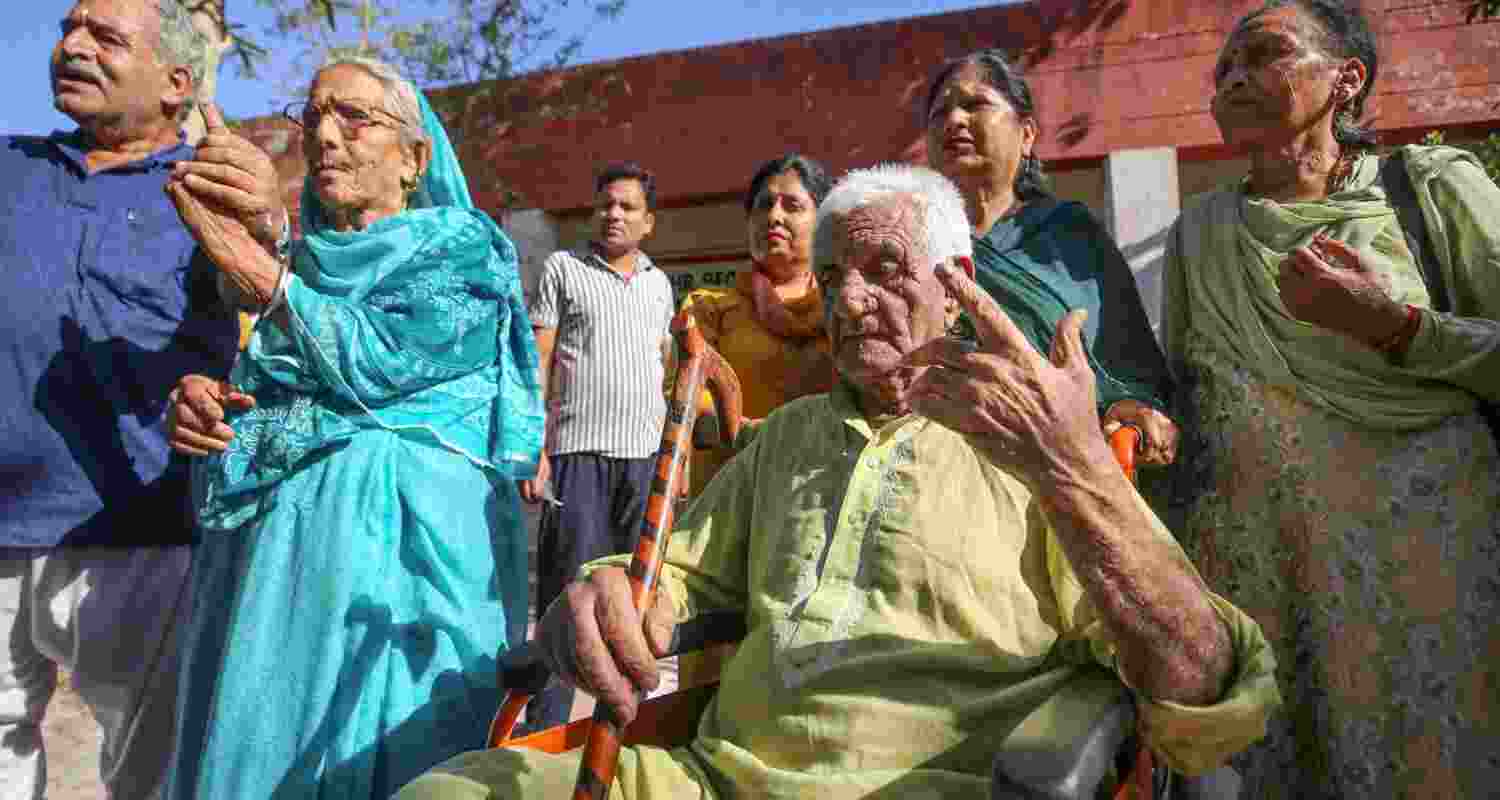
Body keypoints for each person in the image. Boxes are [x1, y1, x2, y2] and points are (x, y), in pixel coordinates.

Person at [396, 164, 1281, 800]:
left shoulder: (1039, 437)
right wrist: (608, 597)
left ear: (957, 282)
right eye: (831, 278)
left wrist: (1078, 470)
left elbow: (1200, 687)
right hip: (704, 776)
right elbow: (676, 575)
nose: (849, 302)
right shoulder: (786, 437)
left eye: (883, 271)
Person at [160, 55, 544, 799]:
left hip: (406, 586)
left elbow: (386, 361)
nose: (325, 135)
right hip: (280, 575)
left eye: (354, 118)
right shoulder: (291, 265)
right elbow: (269, 401)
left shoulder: (463, 249)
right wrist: (209, 405)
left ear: (414, 157)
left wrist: (269, 282)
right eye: (312, 119)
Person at [1162, 1, 1500, 796]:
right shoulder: (1199, 231)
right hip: (1269, 591)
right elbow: (1190, 400)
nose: (1235, 78)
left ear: (1347, 80)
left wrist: (1400, 328)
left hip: (1433, 584)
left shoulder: (1428, 189)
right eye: (1222, 71)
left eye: (1267, 53)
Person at [0, 1, 247, 797]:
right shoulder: (10, 168)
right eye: (69, 27)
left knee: (148, 770)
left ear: (179, 82)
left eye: (104, 36)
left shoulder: (215, 193)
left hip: (140, 535)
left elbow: (271, 339)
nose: (71, 45)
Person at [924, 49, 1180, 465]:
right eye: (940, 113)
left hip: (1062, 466)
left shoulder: (1072, 235)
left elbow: (1129, 365)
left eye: (975, 104)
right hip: (941, 466)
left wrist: (1125, 409)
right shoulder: (915, 242)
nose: (954, 120)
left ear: (1026, 134)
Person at [518, 162, 676, 731]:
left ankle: (622, 732)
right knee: (568, 601)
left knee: (635, 605)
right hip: (577, 455)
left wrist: (670, 462)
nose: (614, 214)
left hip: (644, 461)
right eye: (606, 204)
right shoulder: (564, 269)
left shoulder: (661, 285)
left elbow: (664, 373)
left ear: (648, 222)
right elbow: (538, 361)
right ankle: (544, 732)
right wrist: (532, 447)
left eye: (628, 207)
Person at [678, 154, 834, 494]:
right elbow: (691, 405)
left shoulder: (845, 306)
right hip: (733, 494)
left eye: (792, 205)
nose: (774, 216)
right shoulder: (708, 308)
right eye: (763, 206)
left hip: (823, 488)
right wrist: (763, 437)